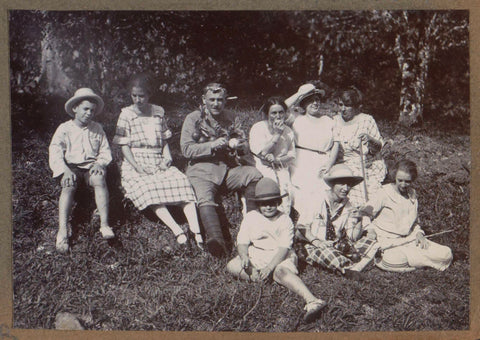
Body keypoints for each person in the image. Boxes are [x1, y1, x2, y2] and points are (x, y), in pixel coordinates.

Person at [113, 74, 203, 249]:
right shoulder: (126, 114)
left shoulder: (158, 112)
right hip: (136, 160)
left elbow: (163, 140)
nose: (138, 100)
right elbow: (124, 146)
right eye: (134, 96)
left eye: (142, 96)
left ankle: (197, 232)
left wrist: (167, 157)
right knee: (149, 188)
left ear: (149, 94)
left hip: (157, 158)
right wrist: (137, 166)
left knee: (182, 182)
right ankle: (178, 231)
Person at [226, 178, 327, 323]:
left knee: (281, 271)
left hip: (281, 255)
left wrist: (270, 267)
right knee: (232, 265)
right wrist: (244, 256)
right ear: (258, 204)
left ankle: (312, 300)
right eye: (264, 203)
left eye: (272, 203)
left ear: (278, 202)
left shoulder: (285, 220)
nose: (268, 207)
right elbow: (242, 242)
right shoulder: (250, 217)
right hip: (258, 252)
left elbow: (284, 248)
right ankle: (260, 277)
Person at [180, 83, 263, 257]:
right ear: (204, 100)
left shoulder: (231, 117)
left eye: (220, 100)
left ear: (225, 101)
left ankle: (253, 224)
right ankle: (216, 240)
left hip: (228, 170)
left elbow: (243, 144)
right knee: (204, 196)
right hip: (201, 171)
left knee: (254, 174)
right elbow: (186, 150)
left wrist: (241, 146)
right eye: (212, 100)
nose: (216, 104)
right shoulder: (193, 118)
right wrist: (211, 145)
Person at [49, 88, 114, 253]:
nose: (89, 113)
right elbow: (55, 151)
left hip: (91, 166)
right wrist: (64, 170)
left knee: (99, 179)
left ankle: (105, 224)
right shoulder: (65, 129)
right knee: (69, 186)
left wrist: (100, 164)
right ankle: (63, 230)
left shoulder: (97, 128)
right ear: (75, 109)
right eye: (85, 109)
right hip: (71, 167)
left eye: (92, 110)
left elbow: (105, 151)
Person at [362, 159, 453, 272]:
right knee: (393, 259)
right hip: (388, 241)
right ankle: (421, 262)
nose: (403, 184)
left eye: (407, 181)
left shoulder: (412, 194)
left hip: (410, 239)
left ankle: (413, 263)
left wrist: (419, 234)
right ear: (394, 176)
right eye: (400, 180)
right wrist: (370, 230)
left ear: (412, 180)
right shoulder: (384, 192)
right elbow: (364, 213)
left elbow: (414, 222)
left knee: (446, 253)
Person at [296, 164, 379, 276]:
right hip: (312, 243)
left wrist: (359, 220)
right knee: (329, 254)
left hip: (335, 244)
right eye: (341, 184)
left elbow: (353, 238)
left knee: (373, 243)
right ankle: (352, 266)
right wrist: (317, 242)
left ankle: (349, 265)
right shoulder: (316, 199)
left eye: (349, 185)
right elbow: (301, 226)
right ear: (332, 184)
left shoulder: (348, 205)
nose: (345, 188)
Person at [287, 84, 339, 218]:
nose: (315, 103)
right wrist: (299, 93)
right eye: (311, 100)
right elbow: (279, 108)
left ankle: (321, 227)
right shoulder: (296, 118)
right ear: (303, 103)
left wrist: (329, 164)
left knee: (323, 194)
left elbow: (336, 144)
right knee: (304, 193)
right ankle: (305, 226)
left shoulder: (328, 120)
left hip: (324, 162)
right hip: (301, 162)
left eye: (317, 99)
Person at [334, 87, 387, 207]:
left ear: (356, 106)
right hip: (342, 165)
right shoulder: (335, 121)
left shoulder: (366, 120)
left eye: (347, 105)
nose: (343, 109)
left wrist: (370, 139)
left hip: (365, 164)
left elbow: (379, 147)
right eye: (340, 105)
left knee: (366, 198)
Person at [249, 96, 295, 214]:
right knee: (271, 188)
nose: (278, 116)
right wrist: (277, 135)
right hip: (263, 166)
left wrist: (277, 159)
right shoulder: (258, 128)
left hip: (281, 166)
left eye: (281, 112)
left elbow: (291, 154)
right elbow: (262, 153)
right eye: (274, 113)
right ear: (267, 114)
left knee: (287, 191)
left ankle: (285, 219)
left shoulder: (288, 131)